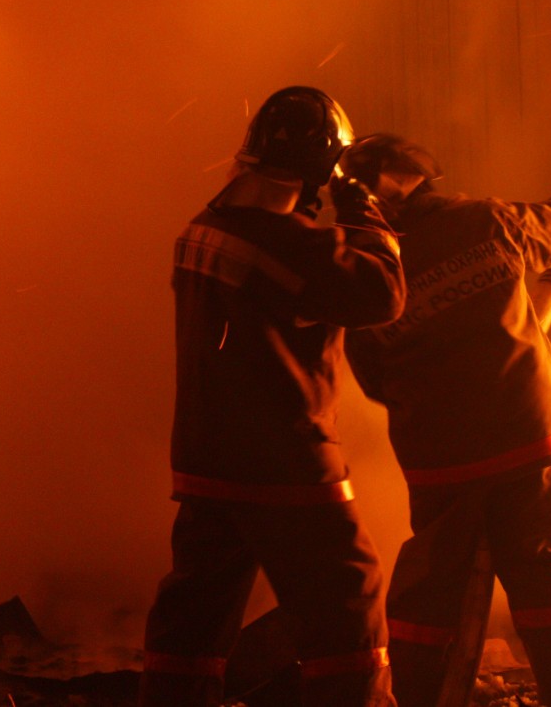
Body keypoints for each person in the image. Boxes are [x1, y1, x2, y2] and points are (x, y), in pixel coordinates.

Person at [340, 134, 551, 707]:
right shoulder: (484, 223)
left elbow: (374, 380)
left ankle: (417, 697)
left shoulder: (364, 275)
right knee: (548, 582)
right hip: (527, 437)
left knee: (429, 596)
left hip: (441, 462)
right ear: (421, 178)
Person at [140, 87, 406, 707]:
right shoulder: (290, 245)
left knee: (194, 614)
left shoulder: (201, 229)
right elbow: (383, 293)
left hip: (208, 460)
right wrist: (362, 209)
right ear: (320, 170)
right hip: (286, 466)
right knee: (349, 599)